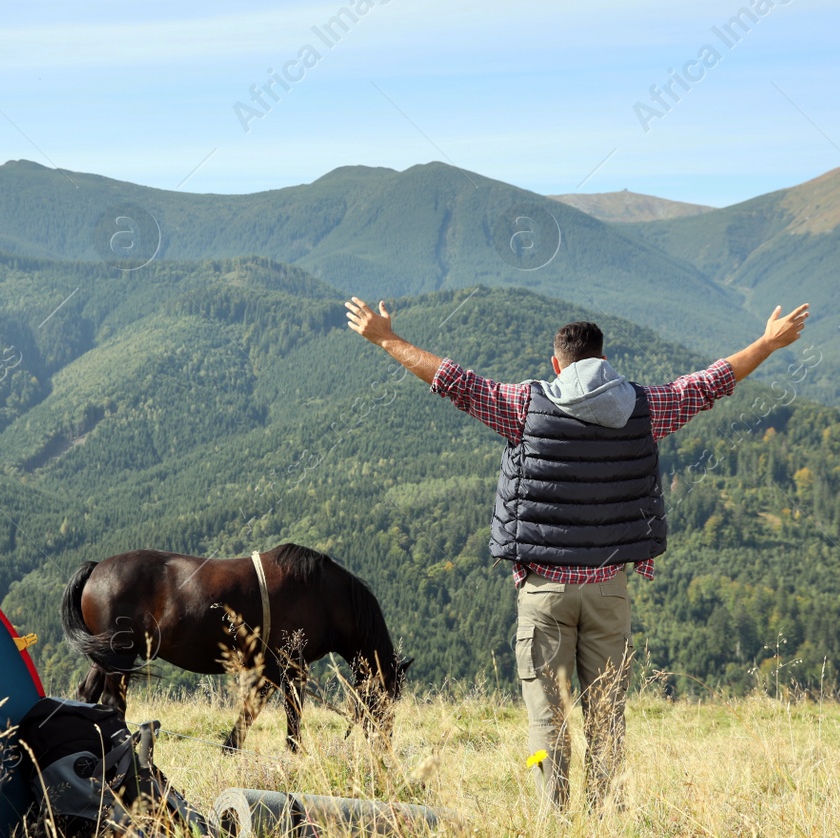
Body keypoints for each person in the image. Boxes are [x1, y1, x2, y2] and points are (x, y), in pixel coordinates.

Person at [345, 296, 809, 809]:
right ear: (605, 361)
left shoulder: (523, 405)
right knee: (608, 719)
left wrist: (385, 337)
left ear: (556, 364)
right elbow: (708, 384)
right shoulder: (646, 408)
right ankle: (606, 822)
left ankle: (554, 826)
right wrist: (768, 341)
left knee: (547, 724)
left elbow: (454, 380)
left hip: (544, 593)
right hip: (610, 592)